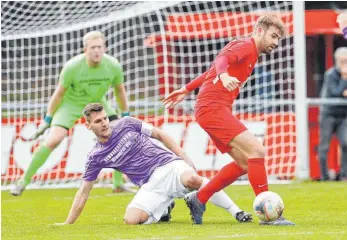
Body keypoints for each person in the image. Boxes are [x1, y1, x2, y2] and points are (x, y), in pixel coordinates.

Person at [163, 15, 294, 225]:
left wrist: (187, 89)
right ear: (259, 31)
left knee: (244, 162)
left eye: (278, 38)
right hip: (212, 109)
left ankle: (200, 198)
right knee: (257, 151)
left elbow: (212, 70)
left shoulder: (249, 52)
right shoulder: (246, 46)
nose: (276, 43)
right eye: (273, 36)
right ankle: (268, 213)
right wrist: (224, 76)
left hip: (212, 109)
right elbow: (220, 62)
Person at [54, 103, 252, 225]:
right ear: (88, 125)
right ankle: (165, 206)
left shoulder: (127, 123)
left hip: (168, 164)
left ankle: (237, 212)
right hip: (149, 185)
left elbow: (159, 134)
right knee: (130, 220)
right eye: (98, 121)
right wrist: (67, 223)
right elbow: (84, 192)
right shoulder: (95, 156)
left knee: (192, 179)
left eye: (105, 118)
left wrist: (182, 154)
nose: (104, 123)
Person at [10, 31, 134, 196]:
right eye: (93, 47)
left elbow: (120, 91)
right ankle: (22, 182)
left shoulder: (113, 65)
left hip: (97, 103)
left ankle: (118, 184)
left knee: (119, 134)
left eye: (100, 47)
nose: (97, 51)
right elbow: (59, 94)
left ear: (105, 48)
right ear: (85, 50)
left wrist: (125, 115)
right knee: (54, 140)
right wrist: (47, 119)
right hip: (71, 105)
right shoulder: (72, 66)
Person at [318, 47, 347, 181]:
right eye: (343, 61)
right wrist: (344, 78)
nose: (345, 64)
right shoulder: (330, 74)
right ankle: (324, 176)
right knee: (324, 147)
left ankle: (343, 175)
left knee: (346, 143)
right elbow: (335, 92)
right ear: (337, 61)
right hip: (328, 114)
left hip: (343, 115)